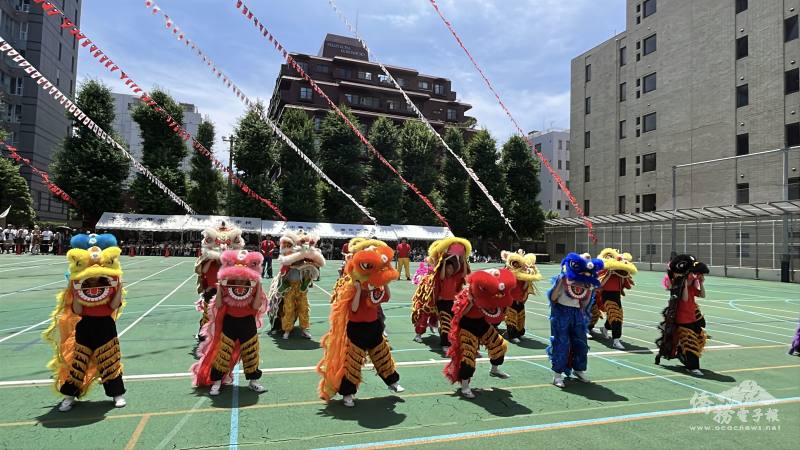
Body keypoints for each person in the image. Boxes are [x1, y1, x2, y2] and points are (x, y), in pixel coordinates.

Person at [43, 233, 127, 412]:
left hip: (105, 325)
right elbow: (78, 311)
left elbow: (113, 306)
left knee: (110, 361)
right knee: (78, 363)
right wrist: (75, 292)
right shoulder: (78, 286)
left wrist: (119, 288)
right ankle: (69, 397)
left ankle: (117, 394)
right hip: (85, 325)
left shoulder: (111, 285)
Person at [317, 239, 403, 407]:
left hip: (373, 327)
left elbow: (386, 297)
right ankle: (347, 394)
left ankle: (393, 383)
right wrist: (357, 290)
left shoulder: (375, 287)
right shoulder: (351, 287)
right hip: (356, 330)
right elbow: (354, 309)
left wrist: (385, 283)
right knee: (351, 364)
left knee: (383, 357)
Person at [191, 249, 268, 395]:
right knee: (222, 353)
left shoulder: (254, 284)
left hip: (247, 321)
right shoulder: (226, 284)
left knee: (251, 352)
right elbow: (219, 305)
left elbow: (256, 306)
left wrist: (258, 286)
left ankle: (253, 381)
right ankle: (217, 382)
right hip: (229, 321)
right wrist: (220, 288)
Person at [547, 253, 604, 388]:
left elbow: (584, 304)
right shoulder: (563, 279)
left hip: (576, 313)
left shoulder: (586, 283)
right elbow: (553, 298)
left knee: (581, 343)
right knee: (562, 343)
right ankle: (557, 375)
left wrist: (589, 291)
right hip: (561, 312)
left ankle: (579, 369)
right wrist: (560, 282)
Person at [411, 238, 471, 350]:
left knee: (452, 322)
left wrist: (463, 258)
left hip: (451, 303)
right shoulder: (440, 277)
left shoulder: (455, 278)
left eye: (452, 268)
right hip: (437, 300)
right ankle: (419, 334)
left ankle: (449, 339)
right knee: (427, 315)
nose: (451, 269)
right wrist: (443, 263)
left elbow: (463, 272)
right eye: (449, 268)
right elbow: (440, 273)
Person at [655, 254, 709, 376]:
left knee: (699, 338)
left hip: (693, 316)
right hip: (682, 318)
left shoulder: (692, 286)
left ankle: (682, 354)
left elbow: (702, 295)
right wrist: (684, 282)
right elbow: (684, 299)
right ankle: (693, 367)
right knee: (691, 341)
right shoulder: (677, 286)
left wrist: (700, 281)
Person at [266, 231, 325, 339]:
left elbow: (315, 268)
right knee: (288, 308)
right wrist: (283, 284)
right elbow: (283, 272)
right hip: (289, 287)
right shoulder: (288, 260)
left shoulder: (307, 261)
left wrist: (307, 281)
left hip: (301, 289)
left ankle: (304, 329)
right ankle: (287, 329)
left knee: (304, 308)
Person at [194, 224, 245, 339]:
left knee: (227, 314)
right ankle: (203, 333)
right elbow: (202, 271)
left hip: (226, 291)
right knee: (208, 314)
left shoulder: (231, 262)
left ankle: (225, 333)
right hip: (212, 291)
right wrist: (211, 259)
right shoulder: (209, 262)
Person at [589, 249, 637, 350]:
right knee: (615, 317)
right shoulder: (605, 271)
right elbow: (600, 284)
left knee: (617, 316)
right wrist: (609, 273)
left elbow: (626, 284)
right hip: (606, 295)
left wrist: (624, 273)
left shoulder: (621, 273)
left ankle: (605, 328)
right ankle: (616, 341)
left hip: (616, 296)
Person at [500, 250, 543, 343]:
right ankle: (512, 335)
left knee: (520, 316)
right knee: (511, 317)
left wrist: (528, 276)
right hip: (511, 299)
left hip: (519, 298)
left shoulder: (523, 275)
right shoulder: (508, 272)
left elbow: (525, 287)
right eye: (515, 264)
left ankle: (519, 333)